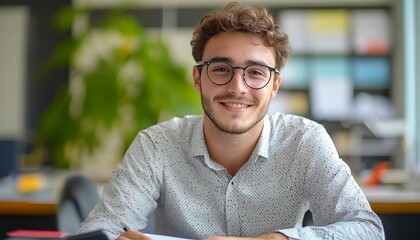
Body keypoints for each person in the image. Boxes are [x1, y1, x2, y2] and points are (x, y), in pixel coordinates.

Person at [77, 2, 385, 240]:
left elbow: (367, 230)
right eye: (222, 69)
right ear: (198, 78)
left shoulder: (305, 141)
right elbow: (98, 231)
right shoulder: (157, 145)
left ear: (274, 86)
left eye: (255, 72)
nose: (237, 87)